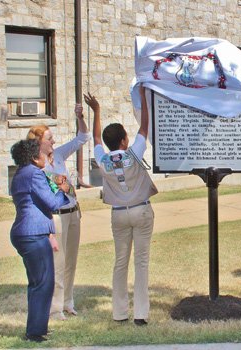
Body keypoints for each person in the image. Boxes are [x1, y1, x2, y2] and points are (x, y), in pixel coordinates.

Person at [84, 85, 158, 326]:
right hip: (141, 209)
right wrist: (145, 101)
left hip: (118, 214)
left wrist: (96, 110)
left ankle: (119, 312)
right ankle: (141, 314)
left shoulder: (103, 159)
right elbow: (144, 128)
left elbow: (96, 138)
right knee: (142, 261)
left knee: (120, 262)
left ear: (109, 143)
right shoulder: (134, 153)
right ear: (124, 140)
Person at [27, 104, 90, 320]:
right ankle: (54, 309)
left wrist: (80, 116)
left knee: (71, 260)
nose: (53, 141)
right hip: (56, 217)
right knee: (58, 263)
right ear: (38, 142)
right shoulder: (37, 166)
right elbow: (52, 191)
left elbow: (82, 138)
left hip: (73, 212)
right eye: (49, 138)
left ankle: (67, 302)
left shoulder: (60, 155)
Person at [9, 139, 70, 342]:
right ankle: (35, 332)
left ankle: (36, 328)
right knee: (43, 283)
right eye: (42, 154)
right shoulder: (34, 173)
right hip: (33, 233)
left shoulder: (19, 174)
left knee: (37, 283)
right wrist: (63, 190)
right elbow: (52, 204)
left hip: (24, 233)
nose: (45, 157)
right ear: (35, 158)